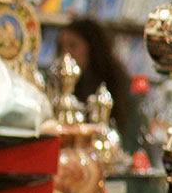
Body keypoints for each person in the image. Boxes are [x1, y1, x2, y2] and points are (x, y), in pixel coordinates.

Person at [57, 18, 145, 155]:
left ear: (91, 48)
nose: (65, 54)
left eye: (72, 45)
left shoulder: (118, 86)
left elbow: (131, 137)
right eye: (62, 47)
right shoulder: (60, 86)